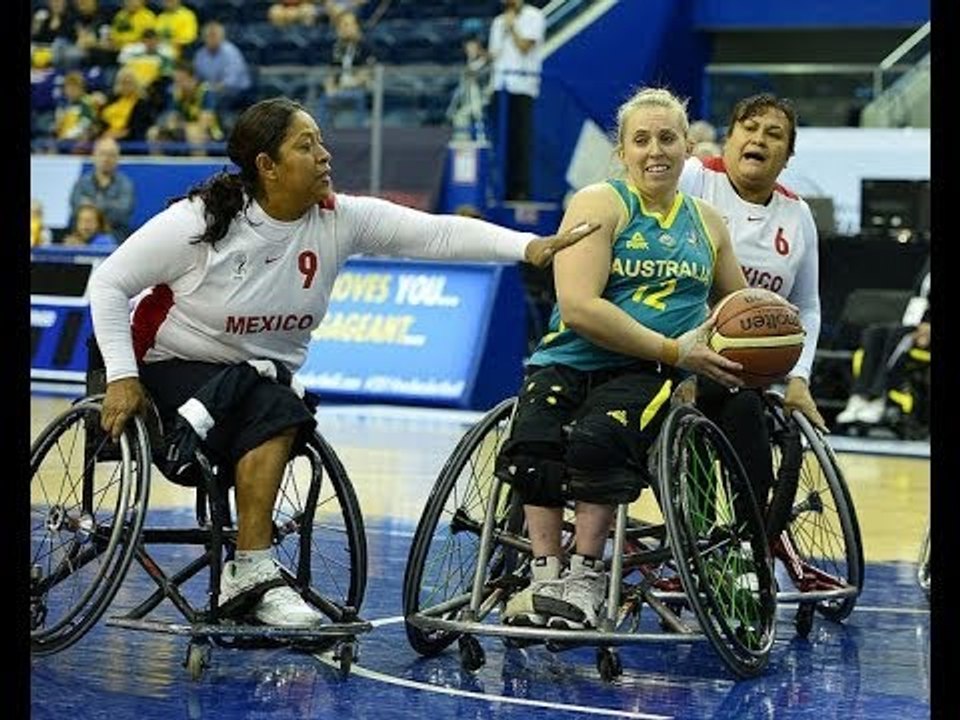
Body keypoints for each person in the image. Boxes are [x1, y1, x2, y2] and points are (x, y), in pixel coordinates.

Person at [87, 96, 599, 628]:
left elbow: (437, 234)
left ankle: (249, 567)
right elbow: (108, 282)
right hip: (168, 365)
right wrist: (123, 377)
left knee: (274, 402)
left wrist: (530, 246)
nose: (325, 155)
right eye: (306, 146)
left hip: (255, 382)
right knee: (276, 407)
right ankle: (252, 571)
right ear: (268, 166)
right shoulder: (203, 221)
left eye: (321, 142)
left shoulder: (339, 219)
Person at [495, 87, 749, 630]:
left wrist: (764, 339)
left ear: (688, 148)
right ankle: (545, 575)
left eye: (667, 138)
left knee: (597, 441)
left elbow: (737, 308)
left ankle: (585, 576)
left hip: (647, 372)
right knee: (532, 443)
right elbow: (579, 308)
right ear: (622, 152)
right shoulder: (598, 202)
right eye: (641, 140)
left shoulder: (708, 222)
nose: (655, 150)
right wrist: (672, 345)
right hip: (570, 357)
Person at [678, 93, 824, 521]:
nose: (759, 138)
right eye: (750, 127)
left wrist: (799, 378)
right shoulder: (695, 179)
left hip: (742, 371)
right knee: (694, 415)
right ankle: (698, 533)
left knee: (744, 408)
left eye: (774, 134)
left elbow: (808, 307)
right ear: (729, 138)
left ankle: (748, 541)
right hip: (671, 353)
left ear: (787, 156)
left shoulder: (798, 214)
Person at [835, 255, 930, 428]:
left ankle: (878, 397)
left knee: (897, 337)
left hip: (926, 331)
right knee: (874, 333)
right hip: (915, 322)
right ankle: (859, 396)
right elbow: (918, 296)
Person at [487, 0, 545, 201]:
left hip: (522, 86)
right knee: (500, 140)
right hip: (500, 87)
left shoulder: (534, 16)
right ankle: (499, 189)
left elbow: (524, 47)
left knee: (520, 142)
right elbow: (494, 55)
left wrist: (512, 26)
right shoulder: (497, 22)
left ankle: (519, 191)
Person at [68, 136, 136, 241]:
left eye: (111, 155)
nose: (106, 159)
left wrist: (92, 207)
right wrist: (109, 205)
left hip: (116, 238)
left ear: (118, 158)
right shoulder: (82, 182)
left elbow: (122, 213)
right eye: (102, 154)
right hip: (83, 239)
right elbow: (76, 209)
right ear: (94, 156)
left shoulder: (125, 184)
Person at [192, 21, 252, 114]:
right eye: (209, 36)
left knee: (211, 97)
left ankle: (211, 125)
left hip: (237, 91)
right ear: (203, 38)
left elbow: (230, 83)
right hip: (210, 90)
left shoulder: (231, 52)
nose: (212, 39)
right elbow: (197, 77)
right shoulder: (200, 54)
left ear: (222, 37)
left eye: (215, 36)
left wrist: (211, 88)